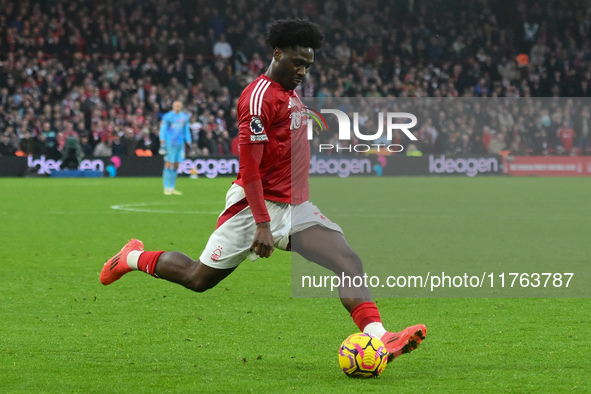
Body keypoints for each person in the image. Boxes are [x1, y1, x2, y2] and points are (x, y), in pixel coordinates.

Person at [100, 19, 426, 361]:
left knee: (348, 261)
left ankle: (380, 336)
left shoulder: (290, 91)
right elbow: (250, 169)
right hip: (255, 207)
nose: (302, 71)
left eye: (308, 66)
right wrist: (262, 224)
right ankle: (131, 258)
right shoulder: (257, 100)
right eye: (297, 63)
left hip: (295, 205)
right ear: (277, 53)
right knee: (198, 278)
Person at [159, 100, 191, 195]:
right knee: (169, 164)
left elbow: (186, 130)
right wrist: (162, 141)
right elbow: (163, 129)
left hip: (180, 143)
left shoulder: (184, 117)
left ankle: (172, 187)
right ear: (173, 106)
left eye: (179, 106)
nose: (178, 107)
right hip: (170, 143)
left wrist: (189, 141)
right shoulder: (168, 117)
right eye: (176, 106)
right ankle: (166, 187)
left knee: (176, 165)